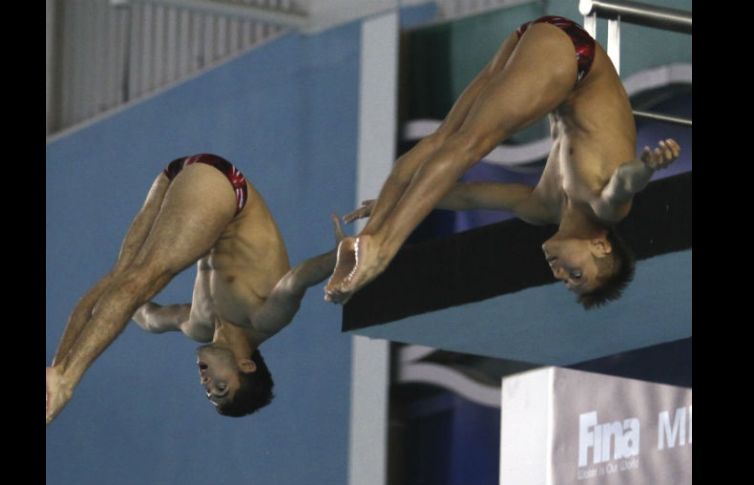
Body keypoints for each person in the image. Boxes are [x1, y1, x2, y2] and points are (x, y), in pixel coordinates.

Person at [324, 15, 681, 308]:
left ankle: (365, 241)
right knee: (468, 146)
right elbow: (623, 184)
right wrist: (648, 167)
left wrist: (392, 203)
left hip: (545, 48)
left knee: (442, 140)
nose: (559, 273)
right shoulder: (606, 209)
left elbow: (467, 195)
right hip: (574, 61)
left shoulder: (541, 208)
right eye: (577, 274)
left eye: (564, 282)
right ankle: (381, 251)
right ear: (601, 245)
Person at [47, 153, 344, 425]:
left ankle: (56, 371)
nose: (206, 383)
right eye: (220, 386)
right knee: (140, 281)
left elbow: (141, 313)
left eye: (208, 392)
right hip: (224, 188)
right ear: (246, 365)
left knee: (122, 280)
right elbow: (297, 280)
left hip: (173, 177)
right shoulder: (264, 320)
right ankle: (66, 380)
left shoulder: (197, 325)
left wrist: (66, 357)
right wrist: (337, 258)